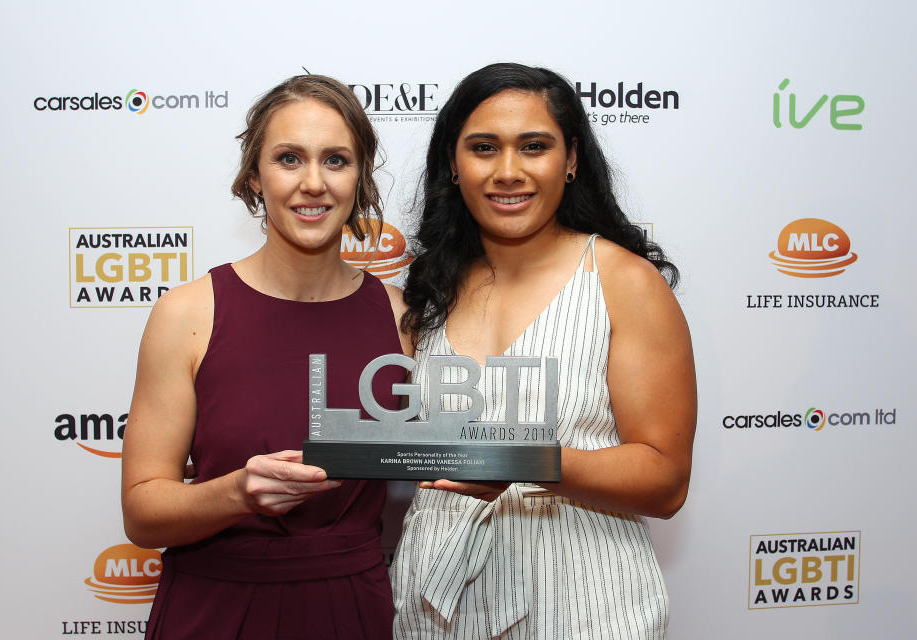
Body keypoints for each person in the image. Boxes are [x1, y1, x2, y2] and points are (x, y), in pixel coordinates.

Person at [390, 63, 697, 639]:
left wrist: (521, 461)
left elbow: (666, 481)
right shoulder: (427, 290)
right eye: (483, 148)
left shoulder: (623, 282)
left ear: (571, 159)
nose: (508, 172)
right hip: (434, 603)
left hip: (586, 602)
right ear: (453, 166)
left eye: (534, 147)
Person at [121, 75, 411, 639]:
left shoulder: (403, 321)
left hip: (351, 608)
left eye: (335, 160)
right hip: (214, 609)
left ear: (360, 177)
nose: (312, 183)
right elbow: (141, 512)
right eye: (288, 159)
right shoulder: (188, 314)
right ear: (254, 175)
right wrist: (236, 493)